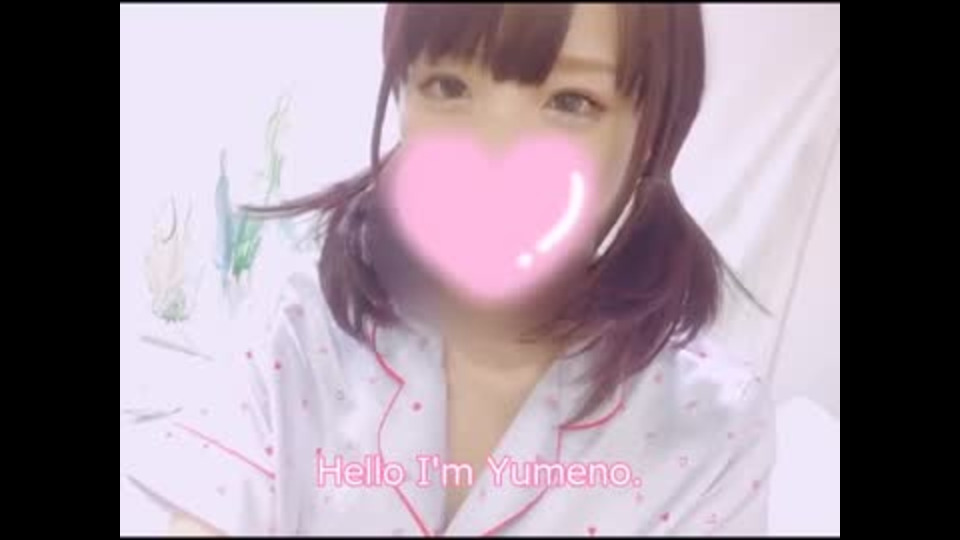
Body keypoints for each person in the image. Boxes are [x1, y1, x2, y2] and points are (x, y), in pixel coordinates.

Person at [124, 3, 776, 535]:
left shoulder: (712, 431)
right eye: (449, 87)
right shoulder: (296, 331)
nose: (494, 154)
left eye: (571, 101)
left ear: (650, 136)